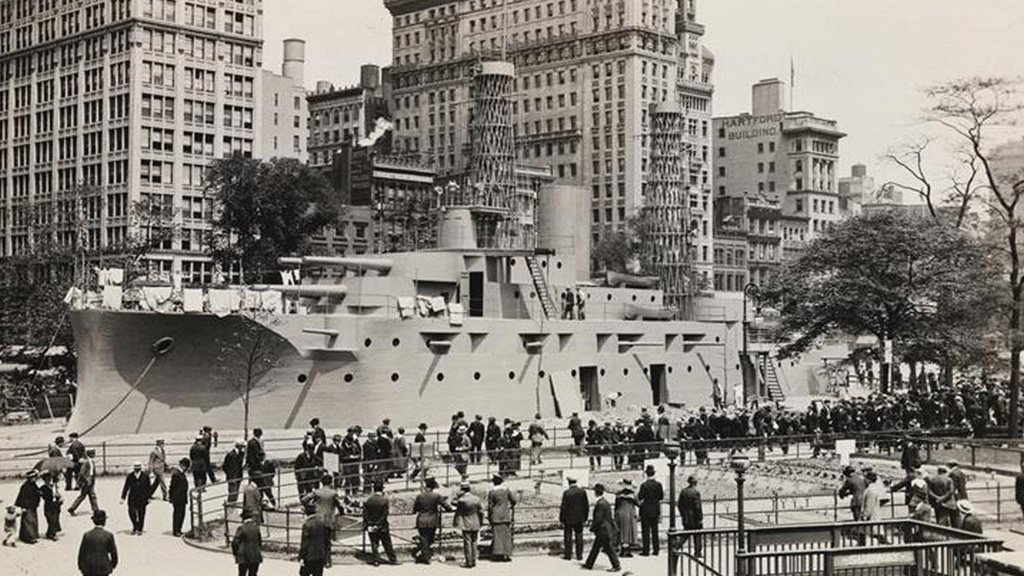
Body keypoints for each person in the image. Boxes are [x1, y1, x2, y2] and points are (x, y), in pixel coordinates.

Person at [583, 483, 621, 572]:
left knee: (608, 548)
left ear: (596, 492)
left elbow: (598, 519)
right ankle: (589, 563)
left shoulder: (600, 504)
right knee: (596, 547)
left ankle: (616, 565)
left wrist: (592, 527)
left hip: (603, 530)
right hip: (605, 529)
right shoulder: (605, 502)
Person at [412, 477, 450, 564]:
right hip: (432, 520)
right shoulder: (436, 496)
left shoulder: (419, 496)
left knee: (424, 538)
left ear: (426, 486)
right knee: (430, 538)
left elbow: (414, 509)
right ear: (433, 487)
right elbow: (447, 506)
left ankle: (425, 555)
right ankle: (426, 555)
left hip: (421, 519)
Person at [362, 482, 398, 566]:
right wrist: (378, 524)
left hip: (371, 525)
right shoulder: (384, 500)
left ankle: (376, 560)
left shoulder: (369, 500)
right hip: (382, 525)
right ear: (382, 489)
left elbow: (365, 514)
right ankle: (392, 559)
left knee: (374, 543)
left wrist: (369, 523)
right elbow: (384, 514)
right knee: (387, 542)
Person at [488, 474, 518, 562]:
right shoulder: (506, 490)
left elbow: (490, 506)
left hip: (496, 515)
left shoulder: (492, 492)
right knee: (506, 535)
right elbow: (514, 500)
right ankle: (506, 554)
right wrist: (511, 506)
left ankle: (498, 554)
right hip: (505, 514)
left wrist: (490, 516)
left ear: (494, 482)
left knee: (497, 536)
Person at [77, 510, 118, 576]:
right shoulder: (108, 535)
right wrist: (111, 566)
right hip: (103, 568)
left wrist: (81, 567)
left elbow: (82, 553)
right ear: (104, 521)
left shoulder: (87, 535)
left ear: (93, 521)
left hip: (89, 568)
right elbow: (114, 553)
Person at [454, 482, 484, 568]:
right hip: (476, 522)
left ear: (462, 490)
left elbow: (453, 503)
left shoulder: (461, 500)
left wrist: (457, 495)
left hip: (466, 523)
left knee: (467, 542)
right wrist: (481, 522)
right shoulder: (477, 499)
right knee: (474, 542)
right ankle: (474, 560)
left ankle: (468, 562)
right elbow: (481, 512)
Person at [120, 462, 155, 535]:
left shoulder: (145, 476)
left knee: (141, 514)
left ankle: (140, 529)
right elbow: (126, 487)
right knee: (131, 513)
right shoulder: (130, 476)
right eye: (135, 467)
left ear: (140, 467)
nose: (137, 468)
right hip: (132, 497)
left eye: (138, 467)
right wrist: (123, 497)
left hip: (142, 498)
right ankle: (135, 526)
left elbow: (148, 488)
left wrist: (149, 497)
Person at [560, 476, 589, 561]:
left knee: (568, 536)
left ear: (569, 483)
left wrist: (561, 518)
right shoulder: (582, 492)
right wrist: (585, 517)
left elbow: (563, 507)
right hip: (579, 518)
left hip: (568, 518)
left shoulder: (567, 493)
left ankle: (568, 555)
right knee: (579, 536)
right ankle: (579, 555)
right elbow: (586, 506)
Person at [638, 465, 664, 556]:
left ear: (646, 474)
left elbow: (640, 497)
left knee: (645, 531)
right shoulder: (658, 485)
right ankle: (656, 550)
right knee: (655, 531)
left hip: (645, 510)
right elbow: (661, 497)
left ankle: (646, 550)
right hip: (655, 509)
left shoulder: (644, 485)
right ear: (654, 473)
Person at [678, 475, 704, 557]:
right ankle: (697, 552)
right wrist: (700, 518)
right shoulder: (696, 493)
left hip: (686, 518)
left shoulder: (683, 491)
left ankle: (675, 547)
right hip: (695, 519)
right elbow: (698, 507)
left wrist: (683, 514)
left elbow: (679, 505)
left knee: (685, 535)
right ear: (695, 483)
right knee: (698, 536)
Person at [299, 505, 329, 576]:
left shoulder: (307, 524)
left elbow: (305, 543)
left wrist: (302, 557)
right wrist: (326, 557)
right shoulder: (322, 523)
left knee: (304, 573)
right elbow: (326, 541)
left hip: (308, 557)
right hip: (320, 556)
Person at [69, 449, 100, 516]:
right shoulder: (86, 462)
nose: (95, 454)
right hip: (87, 482)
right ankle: (72, 508)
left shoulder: (91, 461)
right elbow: (82, 473)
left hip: (90, 480)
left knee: (91, 496)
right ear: (91, 454)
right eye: (93, 453)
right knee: (85, 496)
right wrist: (86, 480)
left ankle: (96, 510)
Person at [231, 509, 262, 576]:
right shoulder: (256, 528)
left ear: (243, 518)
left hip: (243, 556)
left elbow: (235, 542)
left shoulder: (241, 528)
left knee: (242, 574)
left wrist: (235, 553)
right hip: (255, 556)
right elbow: (259, 542)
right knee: (253, 574)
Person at [15, 469, 41, 544]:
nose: (35, 479)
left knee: (32, 521)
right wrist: (23, 507)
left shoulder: (33, 485)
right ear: (30, 478)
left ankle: (27, 536)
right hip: (27, 506)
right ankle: (29, 538)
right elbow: (22, 497)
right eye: (33, 477)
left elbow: (37, 493)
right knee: (28, 522)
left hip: (33, 506)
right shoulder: (25, 486)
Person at [614, 479, 639, 557]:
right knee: (628, 532)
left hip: (620, 513)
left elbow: (616, 505)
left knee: (621, 531)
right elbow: (638, 503)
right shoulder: (633, 495)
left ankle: (622, 550)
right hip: (629, 513)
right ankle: (627, 551)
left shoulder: (619, 494)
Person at [169, 458, 190, 537]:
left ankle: (179, 529)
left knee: (181, 514)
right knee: (178, 514)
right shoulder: (177, 474)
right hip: (177, 498)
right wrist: (171, 497)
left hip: (182, 498)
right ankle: (176, 530)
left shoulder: (180, 473)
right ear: (183, 465)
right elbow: (172, 486)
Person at [40, 472, 62, 540]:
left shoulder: (54, 486)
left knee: (55, 519)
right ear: (44, 480)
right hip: (48, 505)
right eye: (47, 479)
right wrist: (51, 496)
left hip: (55, 505)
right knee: (50, 519)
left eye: (49, 479)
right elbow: (44, 497)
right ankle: (52, 534)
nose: (49, 480)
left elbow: (58, 495)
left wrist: (58, 496)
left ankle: (50, 533)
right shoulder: (43, 488)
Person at [223, 440, 246, 505]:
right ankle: (230, 506)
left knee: (236, 493)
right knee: (232, 493)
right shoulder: (230, 455)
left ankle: (233, 505)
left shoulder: (241, 454)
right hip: (232, 476)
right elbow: (225, 466)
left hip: (238, 475)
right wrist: (230, 475)